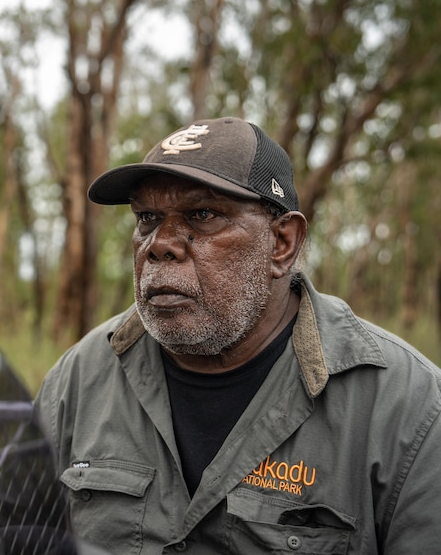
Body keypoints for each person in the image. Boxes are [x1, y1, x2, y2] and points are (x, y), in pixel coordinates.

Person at [35, 117, 441, 554]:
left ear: (282, 243)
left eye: (203, 215)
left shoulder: (407, 407)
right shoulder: (79, 378)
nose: (160, 243)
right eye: (148, 218)